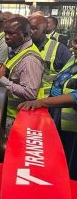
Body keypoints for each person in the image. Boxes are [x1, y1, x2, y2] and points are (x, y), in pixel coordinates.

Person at [19, 34, 77, 178]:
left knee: (70, 171)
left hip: (73, 129)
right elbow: (61, 82)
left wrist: (40, 102)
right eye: (75, 41)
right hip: (61, 122)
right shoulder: (73, 59)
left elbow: (75, 96)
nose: (75, 46)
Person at [0, 16, 43, 121]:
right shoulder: (17, 51)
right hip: (11, 114)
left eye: (11, 33)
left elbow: (30, 93)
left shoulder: (30, 59)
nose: (6, 37)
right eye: (5, 33)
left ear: (25, 35)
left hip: (19, 117)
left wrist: (2, 79)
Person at [29, 15, 71, 96]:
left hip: (48, 102)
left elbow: (70, 77)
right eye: (28, 29)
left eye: (34, 28)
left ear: (44, 30)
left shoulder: (59, 49)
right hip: (24, 102)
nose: (30, 32)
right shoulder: (21, 47)